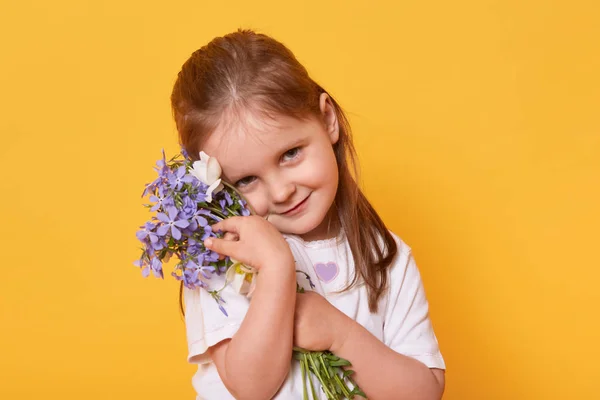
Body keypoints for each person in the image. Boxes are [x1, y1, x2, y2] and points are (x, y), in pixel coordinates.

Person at [170, 29, 446, 400]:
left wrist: (340, 333)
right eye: (247, 179)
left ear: (328, 119)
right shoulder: (222, 257)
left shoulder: (386, 256)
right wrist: (276, 268)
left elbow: (423, 394)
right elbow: (251, 388)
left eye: (290, 154)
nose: (282, 192)